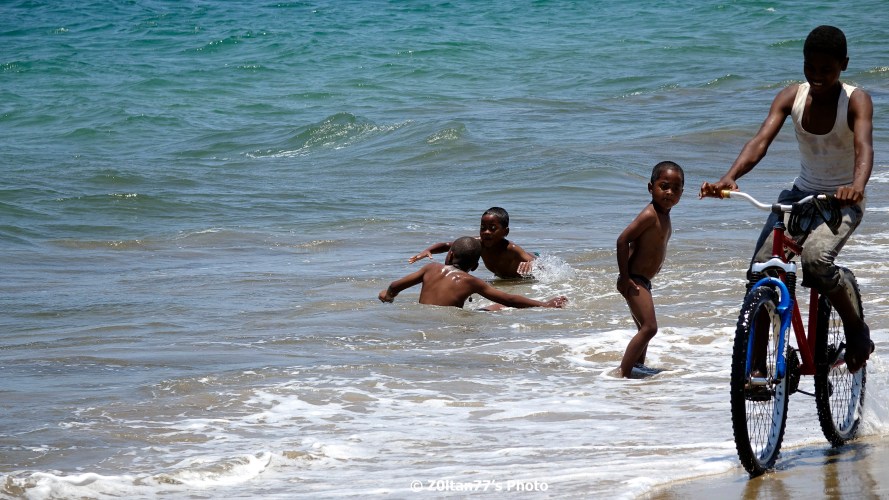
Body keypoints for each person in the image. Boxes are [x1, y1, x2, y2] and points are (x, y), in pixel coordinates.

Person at [699, 25, 874, 372]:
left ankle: (856, 329)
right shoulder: (791, 96)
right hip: (800, 195)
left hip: (842, 199)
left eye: (827, 69)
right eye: (811, 67)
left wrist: (856, 185)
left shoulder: (856, 100)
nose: (817, 76)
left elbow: (864, 147)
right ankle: (758, 367)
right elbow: (760, 142)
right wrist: (730, 177)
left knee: (816, 261)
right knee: (762, 270)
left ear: (844, 65)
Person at [616, 161, 685, 378]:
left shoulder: (665, 215)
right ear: (650, 188)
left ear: (682, 193)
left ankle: (638, 367)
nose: (669, 192)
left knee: (642, 328)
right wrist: (625, 278)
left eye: (675, 188)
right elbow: (622, 240)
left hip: (643, 280)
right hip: (634, 279)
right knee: (649, 327)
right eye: (664, 186)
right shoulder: (650, 214)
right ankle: (623, 372)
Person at [381, 236, 566, 309]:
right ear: (476, 267)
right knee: (498, 307)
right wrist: (544, 304)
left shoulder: (430, 268)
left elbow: (395, 286)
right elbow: (509, 299)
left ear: (450, 254)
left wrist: (387, 295)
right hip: (449, 325)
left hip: (424, 319)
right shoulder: (472, 282)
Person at [408, 207, 536, 278]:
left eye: (492, 228)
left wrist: (531, 264)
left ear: (505, 232)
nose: (486, 232)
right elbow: (448, 245)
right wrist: (429, 250)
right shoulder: (478, 243)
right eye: (483, 228)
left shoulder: (511, 248)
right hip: (503, 278)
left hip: (524, 271)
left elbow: (537, 264)